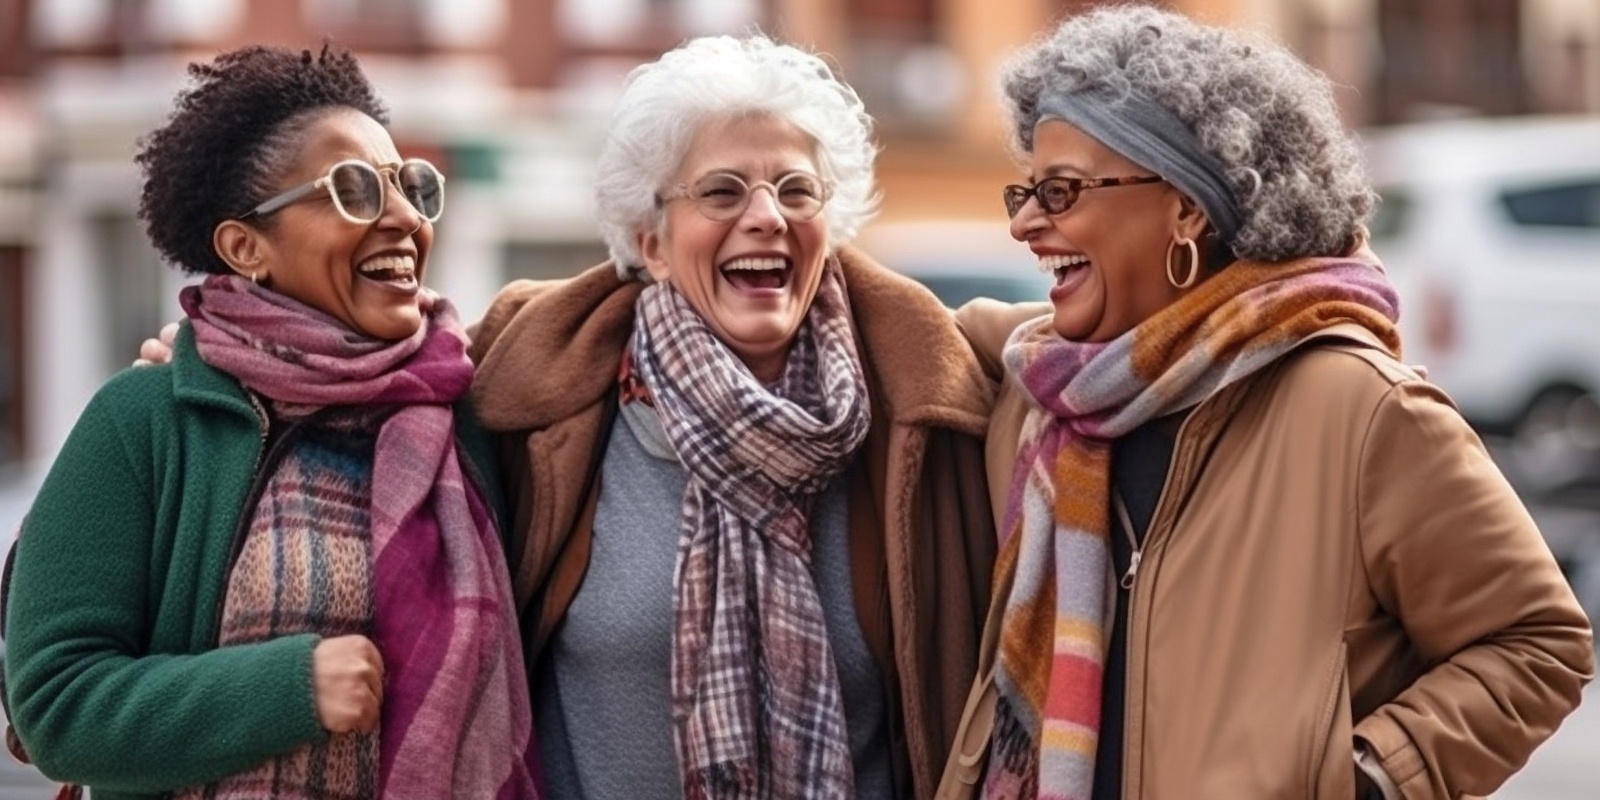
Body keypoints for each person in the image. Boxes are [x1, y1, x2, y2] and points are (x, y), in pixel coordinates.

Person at [939, 6, 1595, 800]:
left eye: (1062, 191)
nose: (1024, 223)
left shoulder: (1359, 409)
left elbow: (1537, 640)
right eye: (1027, 191)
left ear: (1185, 205)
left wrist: (1366, 778)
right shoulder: (1037, 385)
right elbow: (880, 326)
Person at [466, 34, 997, 799]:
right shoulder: (541, 392)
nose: (767, 217)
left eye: (796, 190)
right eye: (721, 192)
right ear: (652, 243)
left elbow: (1080, 343)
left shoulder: (915, 402)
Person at [3, 45, 541, 799]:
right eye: (352, 190)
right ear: (245, 246)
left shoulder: (472, 408)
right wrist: (290, 687)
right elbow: (54, 705)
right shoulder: (145, 419)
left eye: (410, 187)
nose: (403, 218)